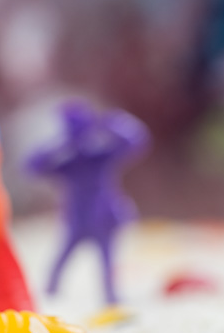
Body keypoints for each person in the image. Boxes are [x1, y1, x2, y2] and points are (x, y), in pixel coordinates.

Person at [27, 101, 149, 304]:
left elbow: (135, 142)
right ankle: (51, 292)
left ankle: (111, 296)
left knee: (107, 261)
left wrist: (114, 124)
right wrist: (61, 145)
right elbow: (33, 166)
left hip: (103, 217)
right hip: (77, 219)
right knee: (62, 258)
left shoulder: (100, 156)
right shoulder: (70, 163)